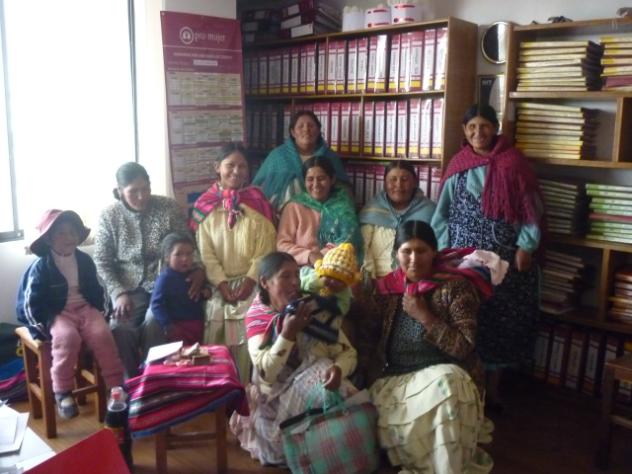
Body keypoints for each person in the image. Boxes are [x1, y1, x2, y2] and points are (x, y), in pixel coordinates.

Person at [431, 104, 542, 410]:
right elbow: (442, 215)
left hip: (506, 262)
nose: (478, 133)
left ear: (495, 128)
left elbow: (532, 211)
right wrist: (444, 254)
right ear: (464, 132)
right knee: (467, 319)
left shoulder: (514, 164)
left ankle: (493, 391)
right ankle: (467, 390)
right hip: (464, 263)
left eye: (484, 126)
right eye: (472, 127)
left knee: (501, 322)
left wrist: (526, 246)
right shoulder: (458, 165)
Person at [360, 220, 495, 473]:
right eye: (406, 251)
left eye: (421, 251)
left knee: (447, 384)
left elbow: (464, 347)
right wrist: (361, 382)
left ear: (434, 252)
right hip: (393, 378)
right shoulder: (386, 290)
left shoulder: (455, 288)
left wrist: (425, 316)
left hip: (443, 375)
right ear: (396, 254)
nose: (414, 259)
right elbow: (367, 339)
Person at [230, 252, 357, 466]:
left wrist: (338, 369)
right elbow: (266, 373)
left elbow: (348, 352)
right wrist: (287, 334)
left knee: (333, 381)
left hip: (315, 387)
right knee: (323, 381)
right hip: (275, 401)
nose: (295, 282)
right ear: (265, 282)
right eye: (285, 276)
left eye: (297, 275)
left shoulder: (310, 307)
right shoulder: (259, 318)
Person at [94, 162, 205, 378]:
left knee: (156, 322)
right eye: (133, 191)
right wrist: (118, 292)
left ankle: (155, 379)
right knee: (120, 328)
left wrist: (198, 268)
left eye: (145, 189)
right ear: (119, 191)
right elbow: (102, 260)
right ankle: (132, 383)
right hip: (128, 288)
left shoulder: (167, 207)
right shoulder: (109, 216)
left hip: (164, 284)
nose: (141, 196)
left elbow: (188, 243)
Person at [16, 209, 124, 419]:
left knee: (103, 334)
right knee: (67, 338)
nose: (69, 237)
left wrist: (102, 314)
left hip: (86, 308)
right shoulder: (41, 267)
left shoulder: (84, 261)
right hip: (58, 313)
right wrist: (42, 328)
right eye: (61, 233)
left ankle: (115, 385)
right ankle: (63, 391)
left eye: (72, 232)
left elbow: (99, 289)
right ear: (48, 239)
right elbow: (29, 303)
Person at [190, 142, 276, 384]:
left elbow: (265, 249)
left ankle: (248, 385)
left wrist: (250, 281)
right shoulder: (205, 205)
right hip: (219, 282)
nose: (236, 171)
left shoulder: (257, 201)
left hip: (254, 280)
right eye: (230, 165)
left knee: (252, 315)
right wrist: (221, 283)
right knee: (216, 312)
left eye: (242, 166)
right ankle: (221, 386)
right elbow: (206, 254)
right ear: (217, 167)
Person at [252, 110, 350, 211]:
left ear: (318, 130)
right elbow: (257, 187)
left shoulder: (330, 156)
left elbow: (344, 190)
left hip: (324, 214)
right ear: (293, 132)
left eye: (311, 126)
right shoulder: (278, 156)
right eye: (300, 126)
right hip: (280, 214)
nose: (306, 129)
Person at [276, 155, 362, 267]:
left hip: (336, 264)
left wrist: (324, 256)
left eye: (321, 179)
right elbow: (282, 245)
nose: (316, 185)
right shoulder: (293, 207)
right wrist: (308, 256)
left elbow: (349, 239)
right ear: (304, 181)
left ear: (332, 179)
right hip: (300, 268)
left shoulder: (344, 207)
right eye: (310, 179)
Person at [359, 160, 436, 278]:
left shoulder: (430, 211)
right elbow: (362, 248)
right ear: (385, 183)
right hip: (377, 279)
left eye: (404, 179)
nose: (399, 185)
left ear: (415, 182)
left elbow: (435, 249)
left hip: (418, 280)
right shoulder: (373, 209)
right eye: (393, 179)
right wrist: (370, 280)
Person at [150, 232, 209, 346]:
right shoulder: (165, 278)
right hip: (178, 329)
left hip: (197, 325)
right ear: (167, 257)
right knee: (182, 355)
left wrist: (206, 292)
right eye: (178, 254)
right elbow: (156, 304)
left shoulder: (195, 275)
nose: (185, 259)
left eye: (189, 254)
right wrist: (168, 325)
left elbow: (200, 293)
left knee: (198, 353)